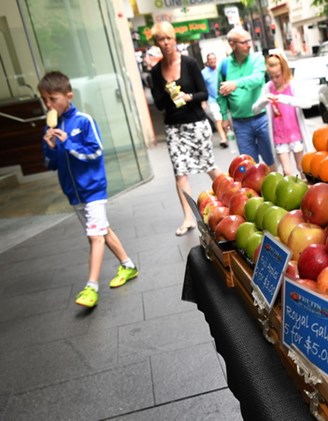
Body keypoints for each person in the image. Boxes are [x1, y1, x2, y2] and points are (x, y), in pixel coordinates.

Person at [38, 71, 138, 308]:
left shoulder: (83, 121)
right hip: (74, 193)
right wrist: (51, 147)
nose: (48, 105)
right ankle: (128, 266)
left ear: (68, 96)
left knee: (94, 236)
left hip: (93, 189)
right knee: (101, 231)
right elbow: (51, 163)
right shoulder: (50, 127)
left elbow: (96, 152)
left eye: (53, 99)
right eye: (45, 100)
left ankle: (91, 287)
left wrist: (68, 143)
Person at [149, 21, 222, 236]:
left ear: (174, 39)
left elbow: (204, 94)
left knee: (209, 164)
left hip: (196, 123)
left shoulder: (189, 63)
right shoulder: (155, 72)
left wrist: (187, 96)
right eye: (161, 40)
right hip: (173, 128)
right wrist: (167, 92)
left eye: (168, 38)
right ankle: (189, 217)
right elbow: (160, 104)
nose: (166, 43)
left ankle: (232, 196)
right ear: (157, 44)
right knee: (180, 173)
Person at [217, 27, 277, 171]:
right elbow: (221, 94)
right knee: (249, 165)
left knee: (271, 160)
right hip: (240, 123)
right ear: (232, 44)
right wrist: (224, 116)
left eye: (249, 41)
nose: (248, 45)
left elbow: (257, 79)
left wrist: (236, 83)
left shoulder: (257, 59)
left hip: (262, 118)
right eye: (243, 42)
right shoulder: (224, 65)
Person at [252, 51, 311, 176]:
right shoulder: (268, 88)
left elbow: (307, 103)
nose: (275, 80)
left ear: (284, 71)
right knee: (286, 171)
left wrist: (285, 99)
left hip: (295, 134)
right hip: (279, 136)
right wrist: (264, 100)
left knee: (302, 168)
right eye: (271, 76)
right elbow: (255, 109)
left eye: (277, 76)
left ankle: (306, 193)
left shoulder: (292, 85)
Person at [201, 52, 229, 148]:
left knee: (225, 120)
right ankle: (223, 138)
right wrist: (203, 101)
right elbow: (202, 87)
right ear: (207, 62)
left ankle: (225, 135)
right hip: (212, 100)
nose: (212, 61)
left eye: (213, 59)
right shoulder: (204, 73)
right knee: (218, 119)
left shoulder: (220, 70)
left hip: (223, 98)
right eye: (210, 59)